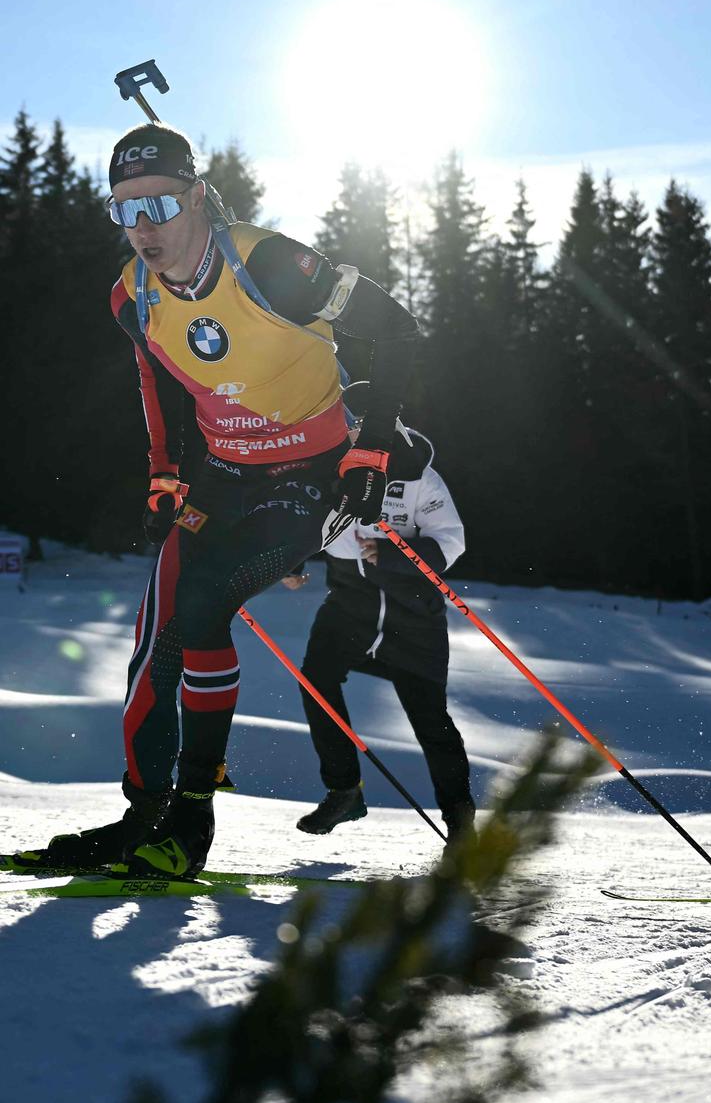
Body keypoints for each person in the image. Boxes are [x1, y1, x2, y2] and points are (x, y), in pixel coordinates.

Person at [10, 122, 418, 878]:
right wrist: (165, 474)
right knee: (157, 636)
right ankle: (144, 814)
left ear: (198, 197)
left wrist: (374, 447)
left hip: (311, 475)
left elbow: (399, 331)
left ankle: (190, 823)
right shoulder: (131, 295)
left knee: (203, 606)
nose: (143, 229)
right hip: (223, 478)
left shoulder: (267, 263)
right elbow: (156, 380)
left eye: (159, 205)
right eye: (124, 210)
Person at [282, 423, 475, 842]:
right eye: (345, 428)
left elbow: (451, 541)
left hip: (413, 618)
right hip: (350, 607)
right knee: (316, 682)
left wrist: (391, 555)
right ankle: (344, 790)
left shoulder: (418, 474)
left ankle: (461, 825)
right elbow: (302, 515)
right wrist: (292, 561)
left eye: (357, 428)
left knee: (431, 722)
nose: (349, 436)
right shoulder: (325, 466)